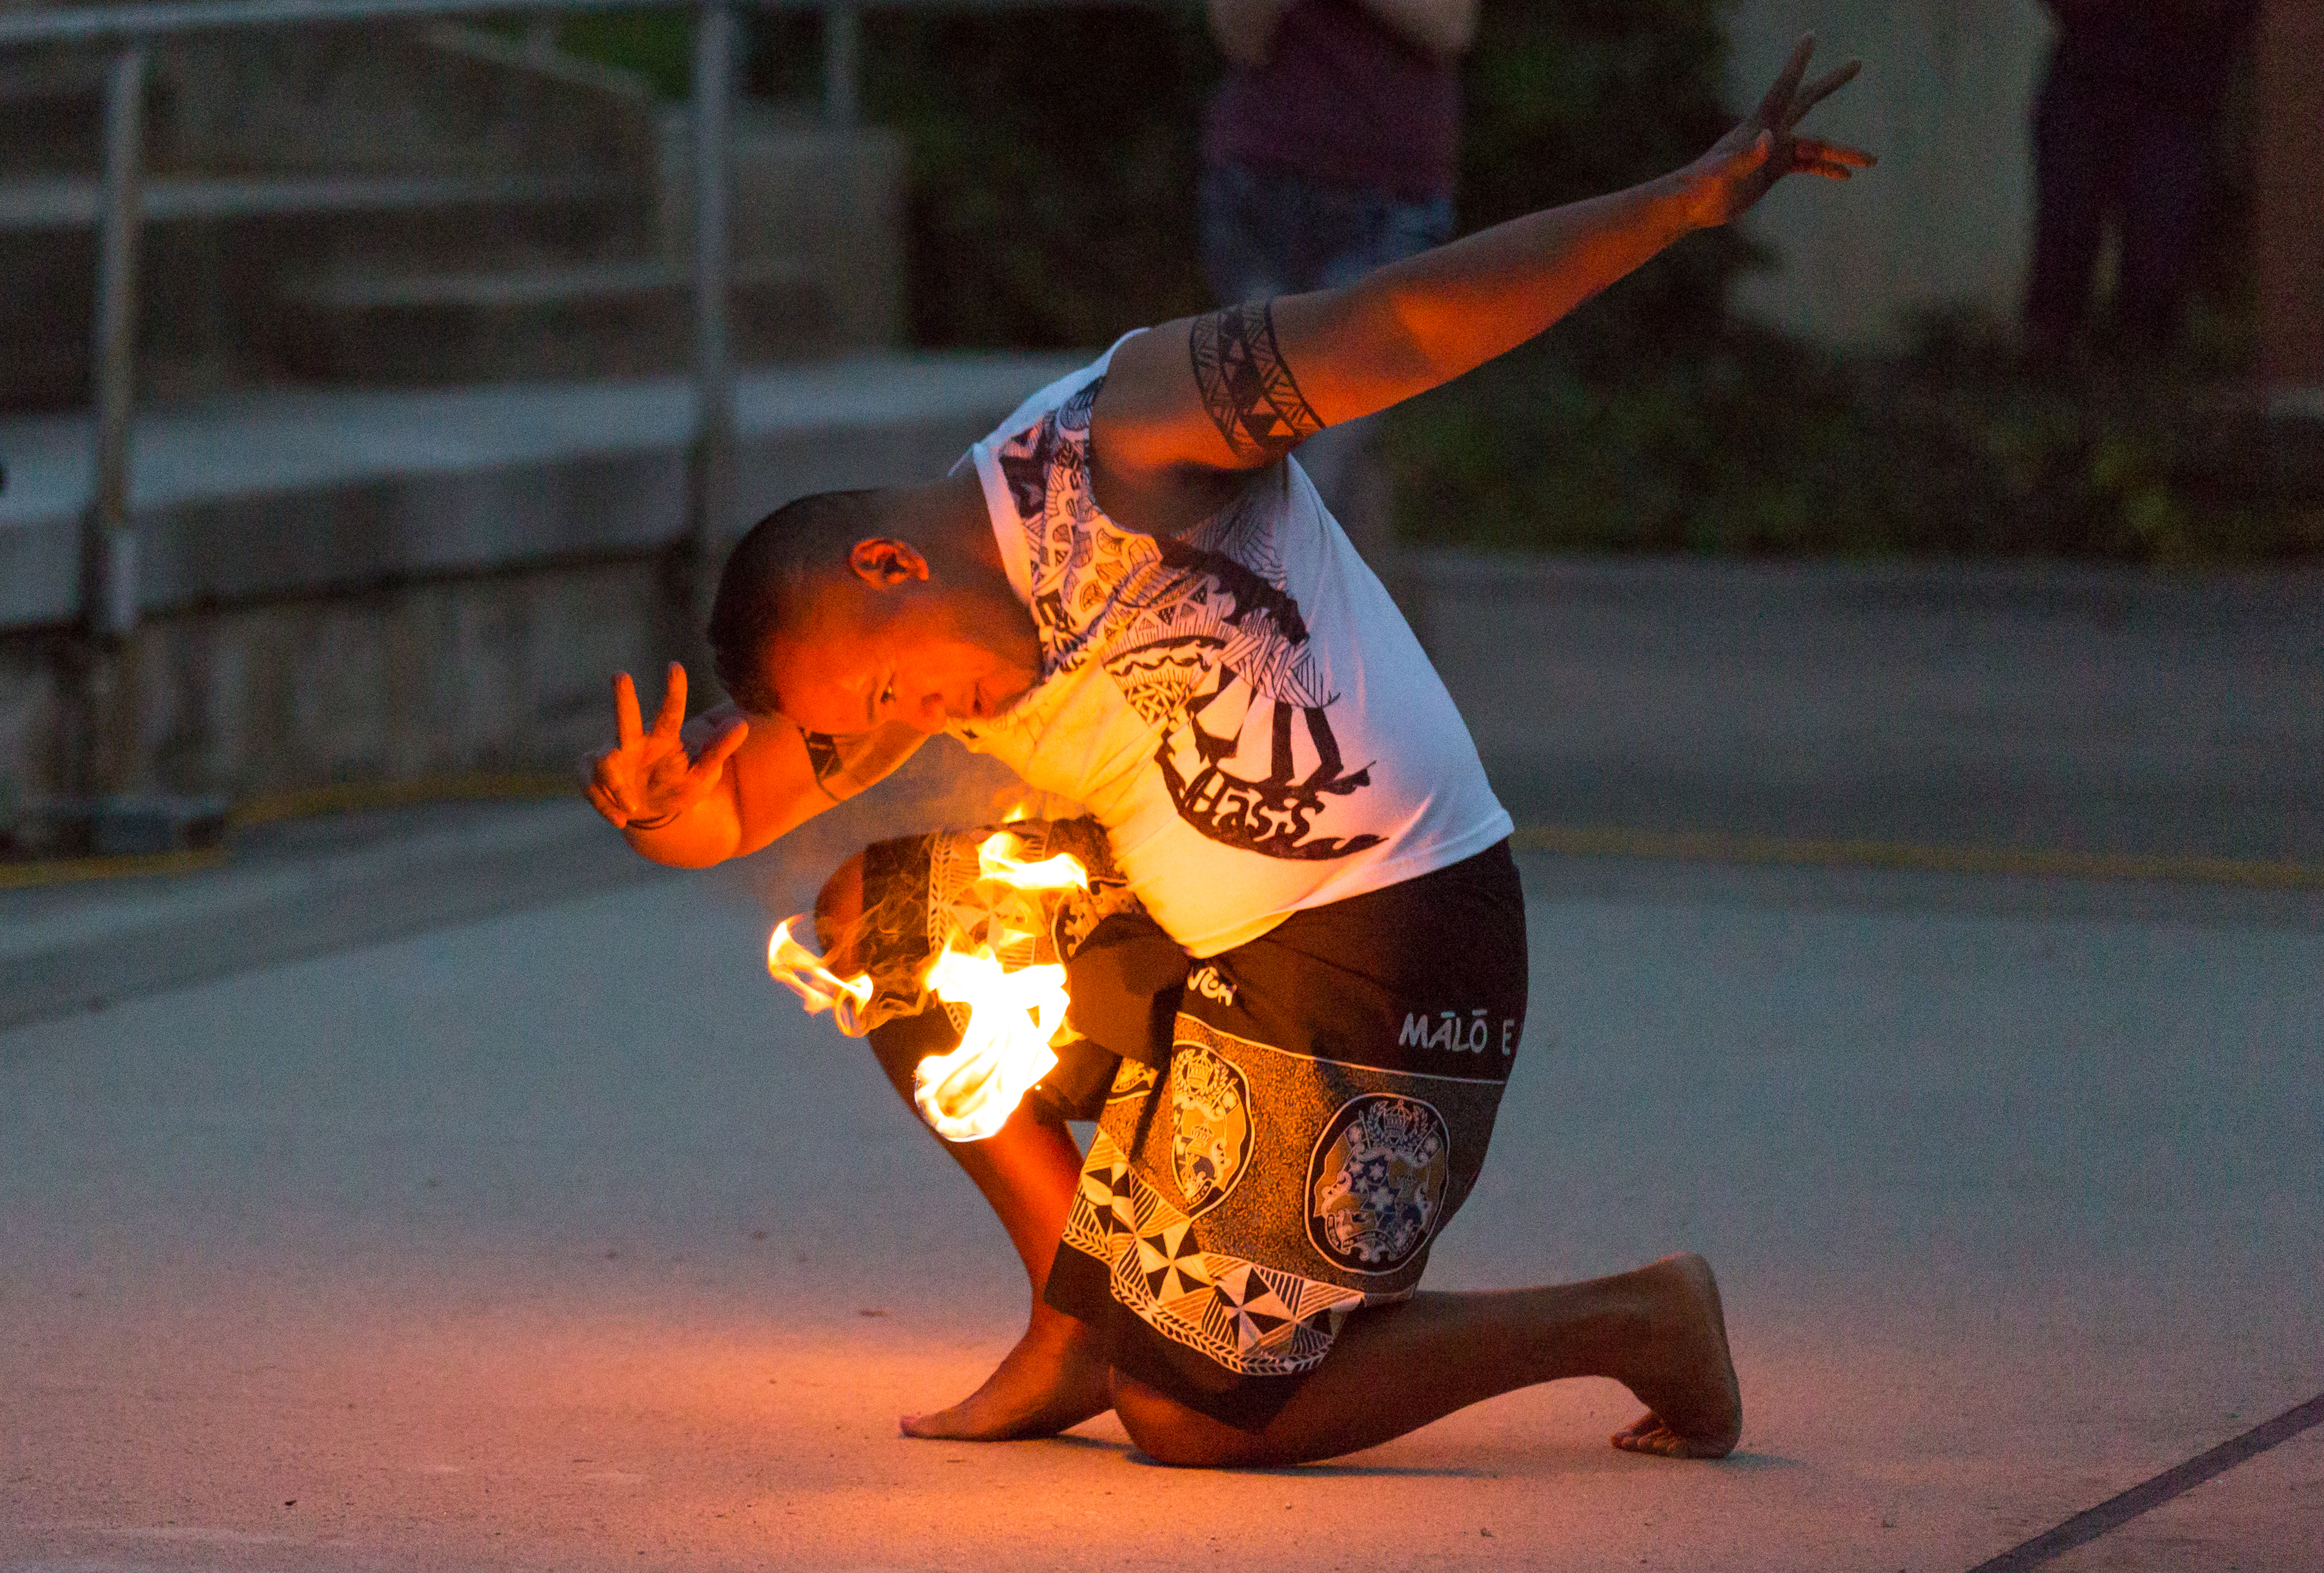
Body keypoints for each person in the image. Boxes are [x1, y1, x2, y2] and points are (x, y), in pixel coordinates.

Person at [586, 37, 1870, 1468]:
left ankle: (1635, 1320)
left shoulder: (1125, 441)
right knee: (870, 921)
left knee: (1194, 1413)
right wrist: (667, 813)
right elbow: (739, 814)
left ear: (889, 564)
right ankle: (1072, 1314)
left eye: (879, 689)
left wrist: (1674, 207)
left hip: (1393, 957)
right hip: (1209, 967)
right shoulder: (914, 655)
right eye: (862, 723)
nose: (893, 725)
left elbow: (1405, 323)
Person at [1198, 0, 1480, 628]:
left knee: (1325, 452)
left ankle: (1308, 655)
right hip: (1264, 188)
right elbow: (1238, 34)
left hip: (1391, 198)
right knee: (1281, 443)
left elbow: (1451, 23)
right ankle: (1375, 661)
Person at [2023, 0, 2259, 362]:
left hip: (2178, 87)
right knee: (2069, 220)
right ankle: (2058, 351)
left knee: (2157, 245)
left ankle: (2136, 357)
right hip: (2098, 73)